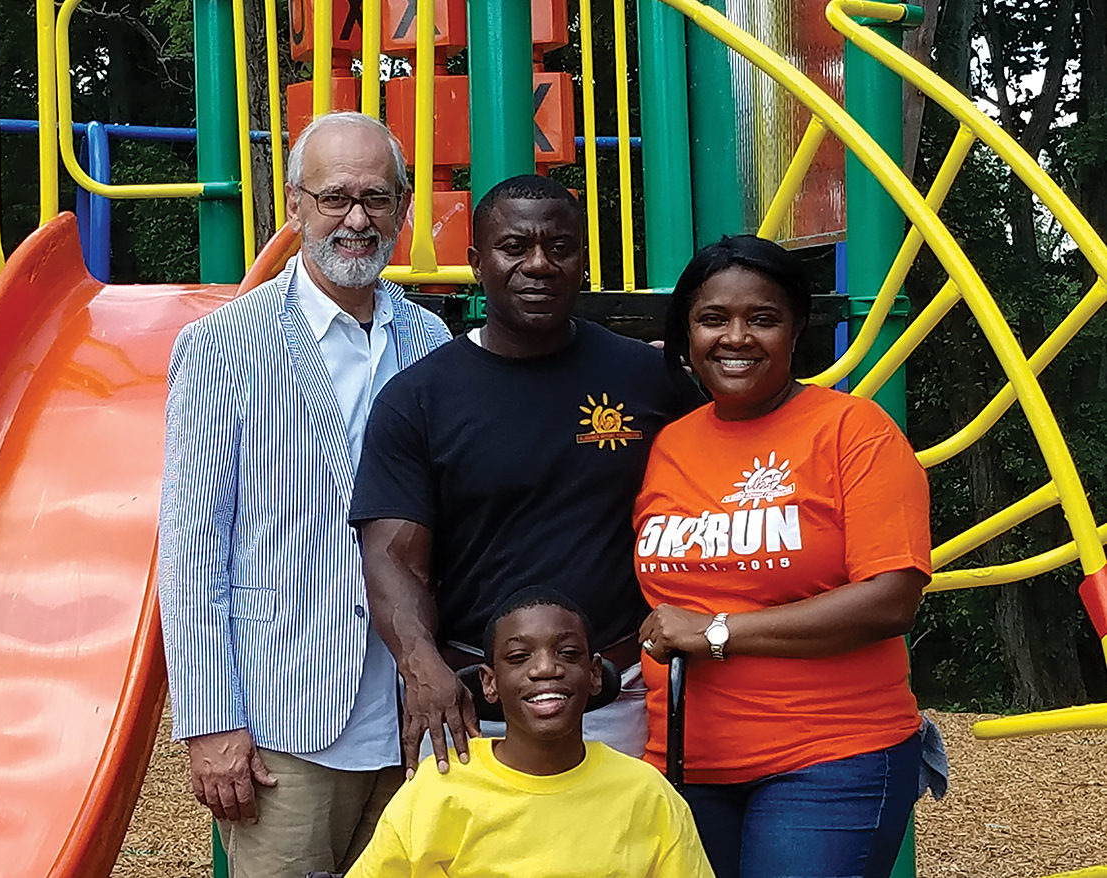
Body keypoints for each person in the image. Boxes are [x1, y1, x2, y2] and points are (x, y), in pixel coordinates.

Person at [157, 111, 451, 878]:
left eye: (377, 198)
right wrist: (212, 723)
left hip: (416, 721)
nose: (357, 218)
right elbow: (191, 552)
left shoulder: (433, 345)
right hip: (287, 724)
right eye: (335, 197)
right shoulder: (221, 346)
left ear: (404, 208)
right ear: (294, 207)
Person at [349, 174, 701, 774]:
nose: (538, 264)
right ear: (477, 262)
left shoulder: (650, 378)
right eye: (514, 247)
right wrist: (421, 666)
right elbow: (393, 560)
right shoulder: (420, 398)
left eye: (559, 247)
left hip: (619, 697)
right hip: (476, 708)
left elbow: (726, 481)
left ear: (582, 263)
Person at [634, 235, 931, 878]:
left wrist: (716, 634)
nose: (736, 337)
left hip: (829, 755)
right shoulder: (669, 446)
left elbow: (891, 597)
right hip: (680, 760)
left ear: (796, 330)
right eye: (713, 319)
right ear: (685, 333)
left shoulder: (855, 430)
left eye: (761, 319)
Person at [345, 588, 716, 878]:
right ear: (489, 683)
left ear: (594, 674)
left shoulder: (646, 794)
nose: (545, 669)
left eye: (568, 653)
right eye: (519, 657)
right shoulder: (437, 790)